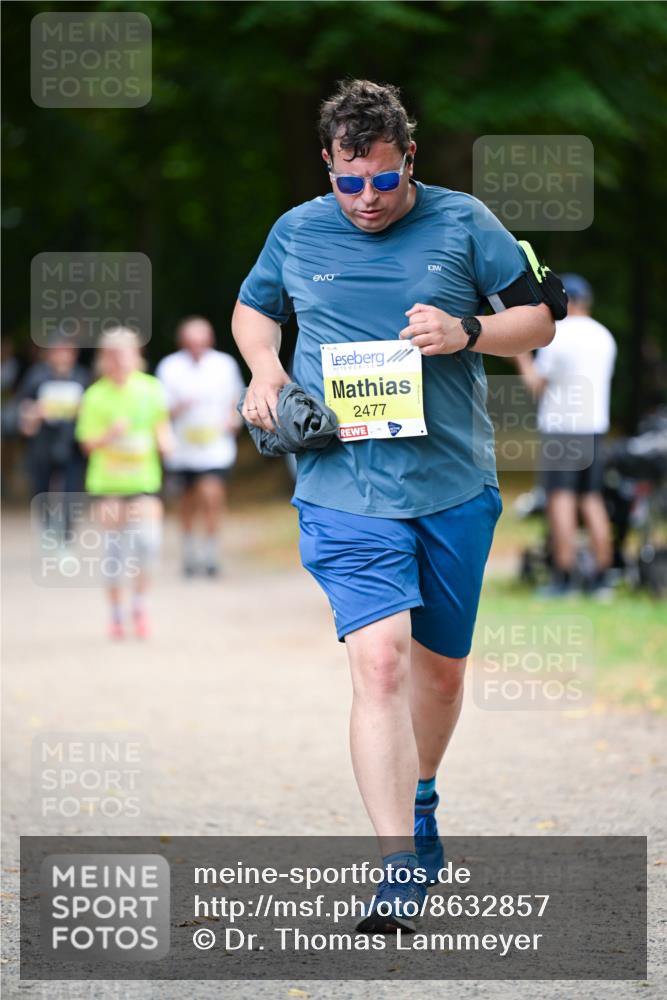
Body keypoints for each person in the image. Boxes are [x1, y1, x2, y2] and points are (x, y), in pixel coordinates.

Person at [232, 79, 556, 933]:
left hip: (450, 485)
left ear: (407, 159)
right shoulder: (296, 230)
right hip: (342, 487)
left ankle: (420, 797)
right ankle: (397, 866)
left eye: (381, 180)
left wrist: (468, 332)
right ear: (328, 167)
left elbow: (538, 319)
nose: (366, 200)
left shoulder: (462, 222)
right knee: (379, 662)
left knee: (438, 673)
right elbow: (252, 311)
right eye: (349, 182)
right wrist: (265, 371)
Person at [515, 274, 617, 597]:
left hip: (562, 429)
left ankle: (564, 576)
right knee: (592, 499)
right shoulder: (605, 336)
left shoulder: (559, 336)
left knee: (560, 500)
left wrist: (520, 354)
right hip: (594, 427)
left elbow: (536, 383)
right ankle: (602, 576)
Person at [75, 327, 172, 639]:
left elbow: (161, 427)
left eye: (125, 354)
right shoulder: (94, 395)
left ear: (136, 356)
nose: (119, 361)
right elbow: (86, 445)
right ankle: (116, 614)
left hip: (144, 481)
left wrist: (167, 442)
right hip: (109, 485)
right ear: (104, 360)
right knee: (115, 553)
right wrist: (110, 436)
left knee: (148, 545)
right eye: (113, 356)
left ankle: (140, 605)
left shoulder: (151, 388)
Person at [156, 316, 244, 577]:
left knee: (211, 494)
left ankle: (210, 551)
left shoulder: (224, 365)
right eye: (191, 342)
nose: (196, 347)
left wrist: (233, 421)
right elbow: (159, 408)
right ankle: (189, 549)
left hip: (215, 447)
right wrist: (178, 408)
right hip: (182, 449)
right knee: (187, 501)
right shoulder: (170, 367)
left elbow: (235, 398)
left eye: (201, 342)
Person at [15, 337, 89, 542]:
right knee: (41, 489)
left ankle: (66, 534)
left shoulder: (82, 376)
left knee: (71, 490)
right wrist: (34, 413)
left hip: (72, 443)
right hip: (43, 443)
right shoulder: (37, 376)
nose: (63, 355)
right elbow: (23, 408)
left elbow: (92, 407)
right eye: (58, 350)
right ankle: (48, 529)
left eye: (67, 351)